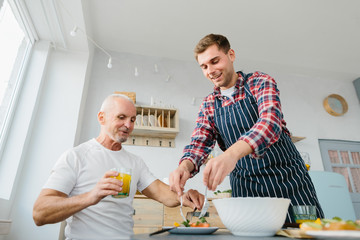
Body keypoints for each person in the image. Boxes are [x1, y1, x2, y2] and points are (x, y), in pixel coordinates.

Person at [169, 33, 324, 223]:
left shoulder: (259, 82)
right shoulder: (209, 104)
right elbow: (199, 143)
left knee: (307, 231)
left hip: (291, 183)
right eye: (204, 66)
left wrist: (231, 154)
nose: (210, 70)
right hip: (247, 189)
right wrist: (185, 167)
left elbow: (270, 122)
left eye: (215, 61)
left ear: (231, 55)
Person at [33, 94, 204, 240]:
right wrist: (91, 196)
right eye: (121, 117)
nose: (128, 125)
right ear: (102, 117)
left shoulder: (135, 162)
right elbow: (40, 213)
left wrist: (184, 197)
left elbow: (163, 193)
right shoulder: (76, 156)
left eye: (132, 119)